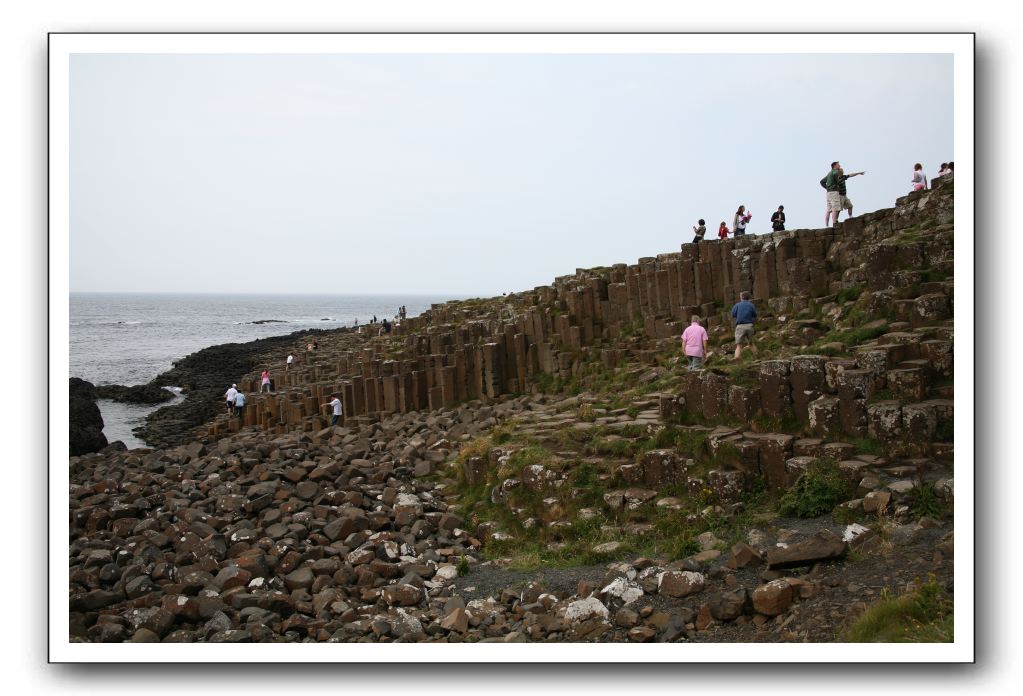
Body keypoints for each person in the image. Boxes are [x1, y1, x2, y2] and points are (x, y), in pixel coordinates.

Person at [823, 161, 865, 227]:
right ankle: (835, 221)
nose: (843, 171)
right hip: (839, 195)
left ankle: (850, 217)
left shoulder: (843, 177)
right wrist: (829, 188)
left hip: (844, 195)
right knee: (837, 209)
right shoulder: (836, 177)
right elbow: (827, 182)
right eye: (841, 170)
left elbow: (851, 175)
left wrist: (859, 173)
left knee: (850, 206)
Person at [730, 291, 759, 361]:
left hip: (740, 326)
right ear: (748, 298)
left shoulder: (737, 305)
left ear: (742, 297)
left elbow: (733, 314)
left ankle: (737, 359)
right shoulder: (751, 305)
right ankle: (757, 357)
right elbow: (755, 315)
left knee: (739, 345)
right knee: (751, 343)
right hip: (749, 325)